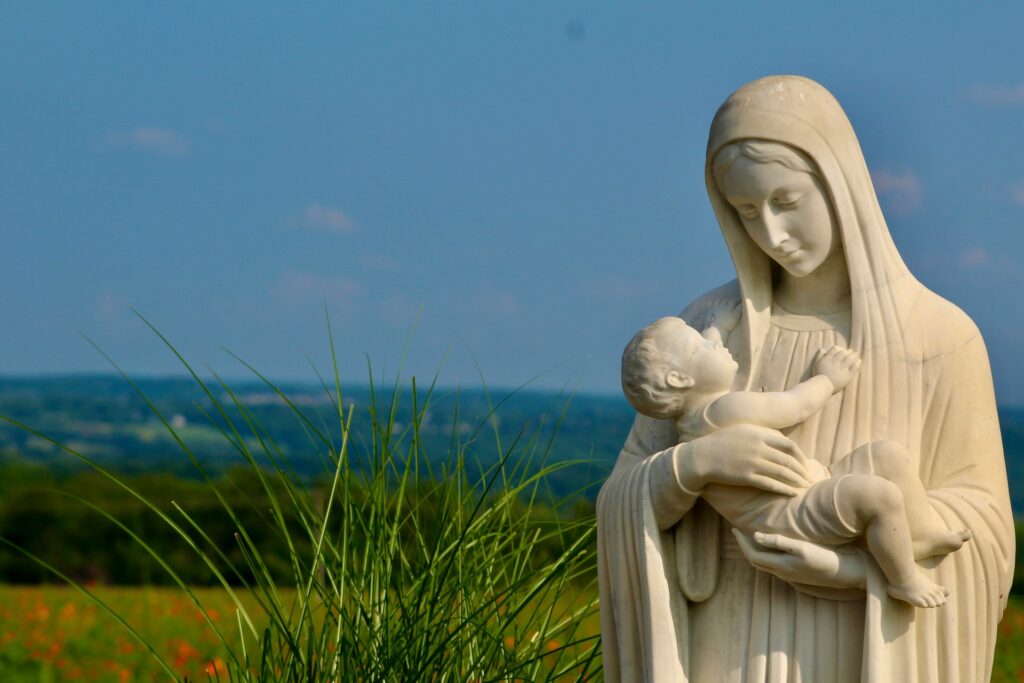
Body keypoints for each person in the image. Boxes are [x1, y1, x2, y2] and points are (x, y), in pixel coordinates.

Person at [596, 76, 1014, 682]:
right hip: (724, 648)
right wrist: (692, 466)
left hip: (851, 654)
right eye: (745, 211)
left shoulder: (940, 337)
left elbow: (983, 534)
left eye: (786, 202)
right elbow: (620, 499)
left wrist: (849, 573)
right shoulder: (707, 327)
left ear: (839, 185)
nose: (770, 234)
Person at [620, 311, 970, 607]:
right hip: (792, 513)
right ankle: (904, 579)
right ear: (679, 378)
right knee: (879, 496)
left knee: (886, 456)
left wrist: (719, 328)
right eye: (702, 343)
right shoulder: (726, 408)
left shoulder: (695, 421)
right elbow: (794, 406)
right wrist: (828, 379)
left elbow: (700, 358)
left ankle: (920, 535)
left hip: (809, 485)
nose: (715, 343)